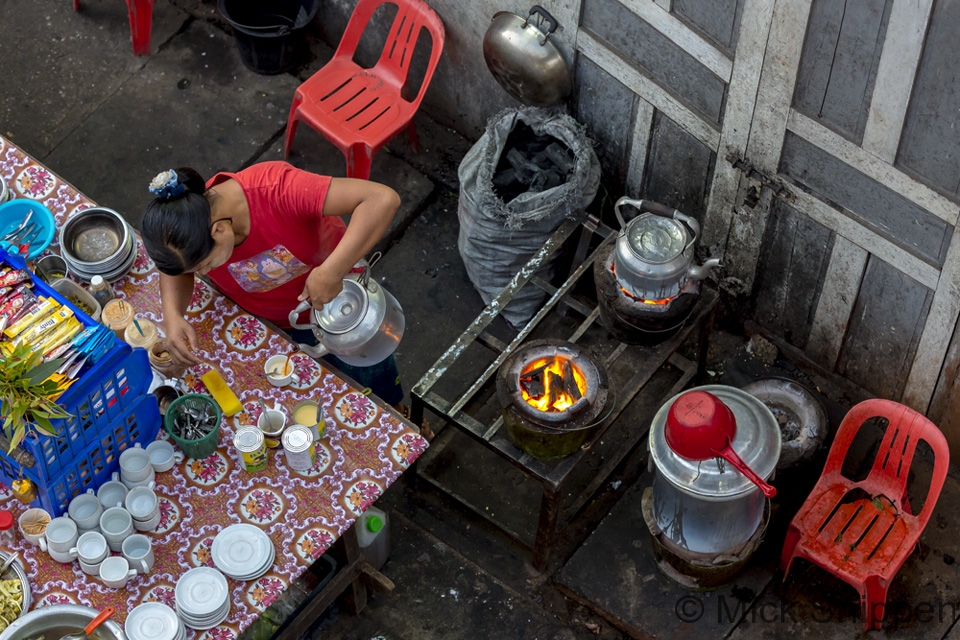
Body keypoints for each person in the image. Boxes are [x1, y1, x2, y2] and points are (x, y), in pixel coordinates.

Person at [140, 161, 404, 407]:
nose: (203, 273)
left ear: (218, 231)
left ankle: (399, 409)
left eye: (204, 266)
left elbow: (381, 199)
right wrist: (173, 315)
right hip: (273, 322)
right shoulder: (190, 228)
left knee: (369, 370)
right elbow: (177, 270)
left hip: (339, 302)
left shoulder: (278, 189)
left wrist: (332, 271)